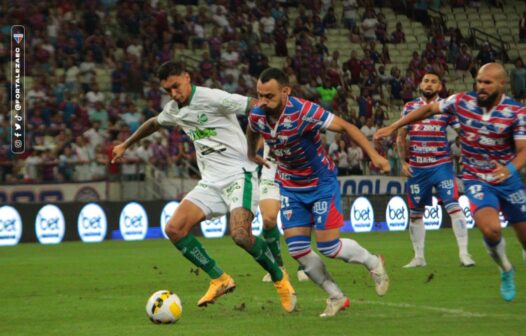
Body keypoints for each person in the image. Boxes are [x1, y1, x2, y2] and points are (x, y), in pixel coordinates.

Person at [112, 61, 296, 312]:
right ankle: (219, 279)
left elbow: (257, 105)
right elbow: (154, 123)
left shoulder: (213, 98)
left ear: (187, 78)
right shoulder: (174, 109)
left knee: (241, 235)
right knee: (174, 228)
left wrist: (273, 136)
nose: (174, 93)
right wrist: (125, 144)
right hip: (210, 182)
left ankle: (280, 279)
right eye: (168, 90)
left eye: (176, 86)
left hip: (239, 176)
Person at [375, 63, 526, 302]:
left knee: (517, 233)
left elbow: (521, 149)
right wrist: (395, 131)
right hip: (458, 174)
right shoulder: (454, 102)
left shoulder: (515, 111)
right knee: (487, 228)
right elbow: (417, 120)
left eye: (488, 82)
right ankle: (503, 268)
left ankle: (464, 253)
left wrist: (507, 166)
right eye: (479, 81)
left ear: (501, 84)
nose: (482, 86)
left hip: (465, 170)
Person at [247, 68, 390, 317]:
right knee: (298, 250)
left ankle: (373, 263)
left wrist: (374, 155)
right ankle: (336, 296)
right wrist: (251, 153)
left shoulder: (304, 111)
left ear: (285, 91)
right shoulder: (258, 114)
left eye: (269, 96)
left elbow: (345, 126)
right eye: (259, 95)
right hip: (290, 186)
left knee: (329, 247)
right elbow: (252, 129)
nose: (263, 102)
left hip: (320, 183)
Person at [396, 72, 475, 268]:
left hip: (441, 165)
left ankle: (464, 254)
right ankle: (419, 257)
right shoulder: (410, 107)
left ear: (439, 86)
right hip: (417, 168)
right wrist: (402, 162)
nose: (429, 84)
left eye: (433, 82)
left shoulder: (446, 107)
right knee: (415, 213)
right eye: (426, 81)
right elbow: (400, 135)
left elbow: (462, 132)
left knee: (453, 206)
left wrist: (469, 152)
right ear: (420, 85)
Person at [258, 141, 310, 283]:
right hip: (270, 174)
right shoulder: (261, 119)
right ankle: (278, 267)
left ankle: (305, 265)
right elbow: (255, 134)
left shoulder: (299, 118)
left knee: (298, 222)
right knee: (268, 220)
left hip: (295, 174)